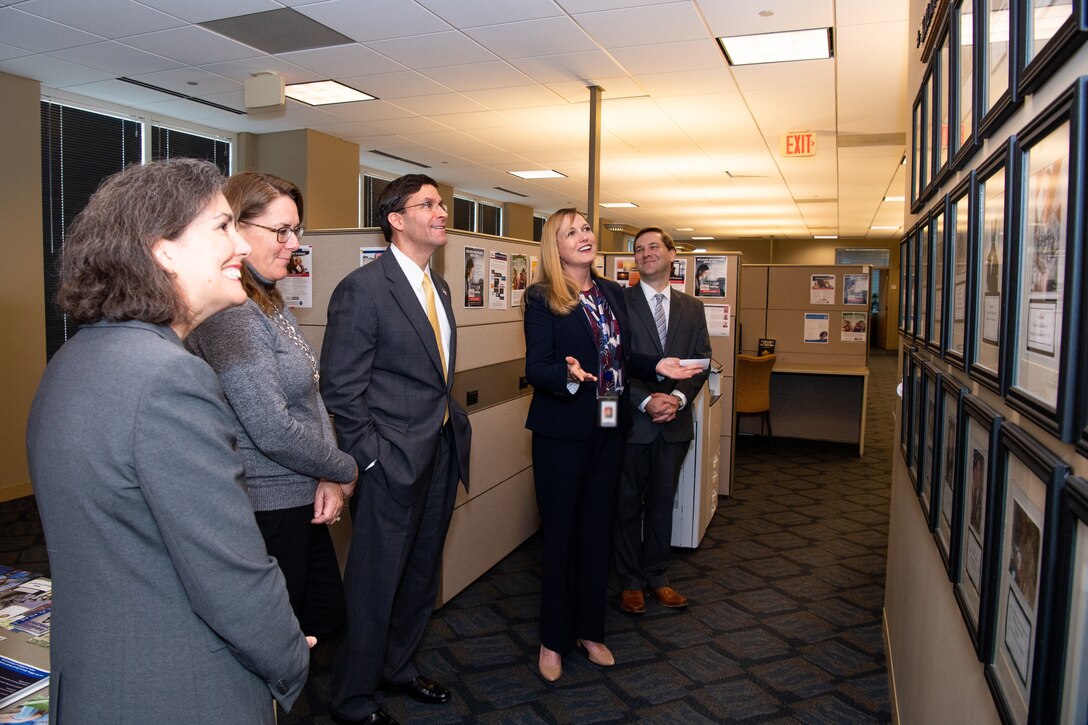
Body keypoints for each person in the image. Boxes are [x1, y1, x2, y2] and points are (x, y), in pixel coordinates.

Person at [26, 159, 311, 724]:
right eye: (222, 227)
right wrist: (288, 655)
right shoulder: (168, 379)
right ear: (164, 251)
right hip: (180, 688)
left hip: (99, 676)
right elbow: (229, 569)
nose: (240, 246)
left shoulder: (73, 359)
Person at [523, 209, 700, 683]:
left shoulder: (612, 293)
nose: (584, 236)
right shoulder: (542, 297)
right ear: (553, 245)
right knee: (561, 536)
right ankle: (552, 640)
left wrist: (661, 365)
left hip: (609, 426)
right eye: (571, 232)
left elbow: (623, 357)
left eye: (585, 228)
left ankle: (590, 630)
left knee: (597, 531)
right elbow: (535, 366)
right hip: (562, 432)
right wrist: (566, 373)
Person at [320, 173, 472, 725]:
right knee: (375, 583)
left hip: (441, 454)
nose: (440, 211)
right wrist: (372, 458)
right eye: (427, 204)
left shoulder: (441, 287)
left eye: (441, 202)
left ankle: (399, 669)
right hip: (390, 465)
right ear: (396, 218)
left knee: (419, 577)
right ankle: (354, 698)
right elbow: (341, 388)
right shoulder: (363, 288)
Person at [186, 171, 358, 642]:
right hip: (267, 505)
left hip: (300, 492)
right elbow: (271, 426)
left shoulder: (269, 301)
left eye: (296, 230)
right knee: (279, 644)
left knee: (322, 622)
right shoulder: (233, 314)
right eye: (281, 231)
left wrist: (325, 472)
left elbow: (310, 395)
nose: (294, 242)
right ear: (234, 229)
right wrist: (344, 467)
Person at [615, 227, 711, 614]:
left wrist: (675, 398)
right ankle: (629, 579)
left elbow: (701, 363)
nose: (646, 253)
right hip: (632, 423)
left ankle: (657, 576)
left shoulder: (693, 308)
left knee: (661, 502)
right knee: (625, 504)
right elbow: (613, 363)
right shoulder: (618, 303)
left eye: (654, 246)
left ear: (673, 255)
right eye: (639, 249)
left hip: (674, 424)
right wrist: (644, 401)